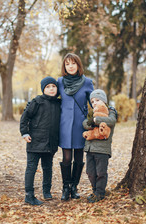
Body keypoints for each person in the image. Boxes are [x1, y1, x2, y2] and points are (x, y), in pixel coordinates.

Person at [58, 53, 94, 201]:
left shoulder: (87, 82)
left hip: (80, 126)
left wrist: (108, 111)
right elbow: (51, 99)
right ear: (64, 66)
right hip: (65, 125)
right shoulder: (59, 82)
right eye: (67, 64)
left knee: (79, 158)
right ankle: (66, 187)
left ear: (78, 65)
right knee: (67, 157)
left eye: (73, 63)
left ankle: (74, 187)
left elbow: (94, 101)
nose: (70, 66)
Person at [20, 77, 61, 205]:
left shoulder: (59, 103)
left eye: (53, 86)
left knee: (48, 167)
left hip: (51, 142)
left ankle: (47, 191)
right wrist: (24, 133)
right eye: (48, 87)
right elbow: (25, 117)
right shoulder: (37, 101)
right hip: (35, 140)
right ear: (43, 89)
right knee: (31, 167)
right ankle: (29, 195)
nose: (51, 89)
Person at [83, 89, 117, 203]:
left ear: (104, 101)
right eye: (92, 101)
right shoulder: (91, 113)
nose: (95, 103)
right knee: (90, 172)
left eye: (97, 100)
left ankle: (100, 193)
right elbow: (85, 123)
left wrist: (95, 120)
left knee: (100, 172)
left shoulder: (110, 111)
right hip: (90, 148)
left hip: (102, 149)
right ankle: (95, 190)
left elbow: (111, 121)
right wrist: (91, 121)